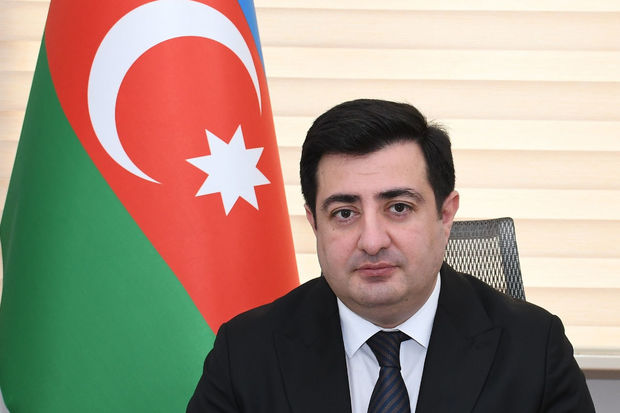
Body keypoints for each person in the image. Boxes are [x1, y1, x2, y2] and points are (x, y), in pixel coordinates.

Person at [187, 99, 594, 412]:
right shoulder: (247, 352)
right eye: (344, 213)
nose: (372, 241)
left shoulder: (533, 348)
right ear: (314, 223)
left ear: (445, 215)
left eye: (398, 207)